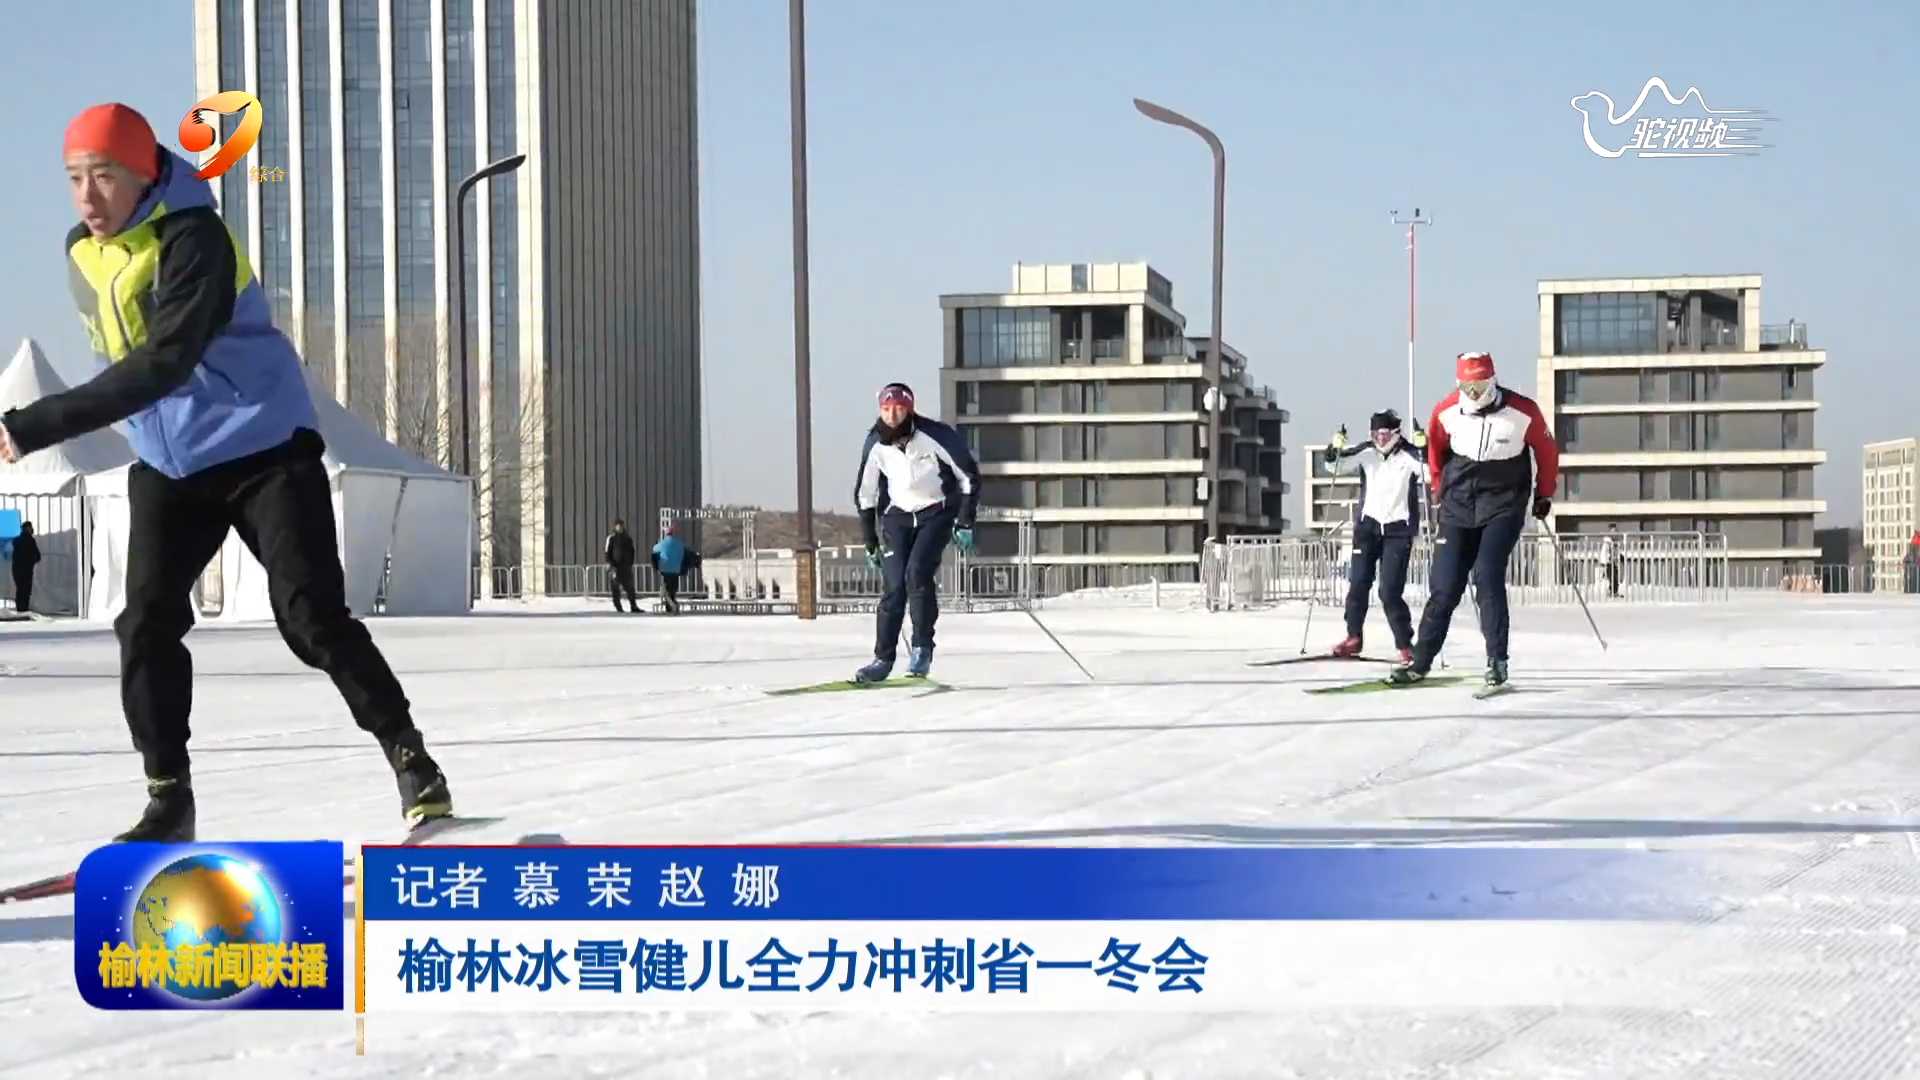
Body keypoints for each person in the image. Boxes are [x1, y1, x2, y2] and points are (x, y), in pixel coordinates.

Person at [0, 103, 451, 841]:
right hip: (170, 462)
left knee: (312, 619)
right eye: (75, 178)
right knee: (144, 624)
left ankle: (412, 760)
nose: (87, 196)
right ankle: (168, 799)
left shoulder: (196, 239)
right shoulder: (83, 251)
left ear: (144, 173)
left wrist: (33, 425)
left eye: (104, 176)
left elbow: (165, 362)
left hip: (263, 449)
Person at [1389, 351, 1558, 690]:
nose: (1475, 393)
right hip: (1458, 503)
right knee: (1444, 586)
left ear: (1493, 381)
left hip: (1503, 502)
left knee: (1487, 575)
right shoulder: (1446, 410)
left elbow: (1546, 451)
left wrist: (1544, 493)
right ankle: (1420, 662)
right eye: (1468, 387)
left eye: (1481, 386)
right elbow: (1435, 451)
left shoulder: (1523, 411)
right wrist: (1438, 488)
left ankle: (1497, 661)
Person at [852, 382, 980, 682]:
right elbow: (865, 494)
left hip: (935, 512)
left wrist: (965, 522)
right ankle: (882, 659)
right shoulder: (875, 443)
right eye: (886, 409)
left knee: (917, 575)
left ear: (909, 409)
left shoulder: (935, 435)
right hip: (897, 516)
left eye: (898, 408)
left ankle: (922, 648)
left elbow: (969, 476)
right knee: (894, 586)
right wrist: (870, 541)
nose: (892, 415)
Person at [1322, 410, 1426, 664]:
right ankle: (1353, 637)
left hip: (1398, 530)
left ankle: (1405, 644)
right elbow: (1334, 466)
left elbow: (1431, 472)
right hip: (1367, 528)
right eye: (1375, 434)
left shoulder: (1408, 455)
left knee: (1389, 591)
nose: (1380, 440)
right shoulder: (1366, 452)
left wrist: (1425, 447)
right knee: (1358, 583)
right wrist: (1334, 448)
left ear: (1396, 433)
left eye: (1385, 434)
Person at [651, 523, 693, 614]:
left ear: (666, 534)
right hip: (676, 569)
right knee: (673, 588)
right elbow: (685, 552)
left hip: (665, 569)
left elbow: (654, 550)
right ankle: (671, 604)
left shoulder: (662, 543)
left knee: (667, 588)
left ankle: (670, 605)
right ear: (673, 534)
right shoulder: (679, 543)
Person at [605, 518, 639, 613]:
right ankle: (618, 607)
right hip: (615, 567)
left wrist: (630, 563)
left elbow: (632, 551)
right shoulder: (611, 538)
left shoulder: (628, 538)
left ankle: (633, 606)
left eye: (621, 525)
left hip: (626, 567)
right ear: (615, 527)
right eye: (618, 525)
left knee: (630, 588)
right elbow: (607, 552)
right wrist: (610, 563)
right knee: (615, 588)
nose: (620, 527)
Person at [9, 522, 39, 615]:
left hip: (16, 569)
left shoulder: (16, 540)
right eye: (30, 528)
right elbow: (38, 556)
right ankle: (24, 610)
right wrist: (31, 562)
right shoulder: (31, 540)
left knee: (20, 590)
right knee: (26, 591)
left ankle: (19, 610)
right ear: (28, 528)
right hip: (27, 570)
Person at [1602, 524, 1623, 598]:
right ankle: (1611, 592)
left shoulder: (1614, 542)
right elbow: (1605, 552)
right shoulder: (1608, 542)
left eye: (1616, 531)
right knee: (1612, 577)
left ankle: (1615, 592)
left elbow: (1616, 552)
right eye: (1613, 532)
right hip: (1608, 563)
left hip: (1614, 562)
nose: (1615, 534)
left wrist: (1620, 556)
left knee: (1615, 577)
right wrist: (1608, 559)